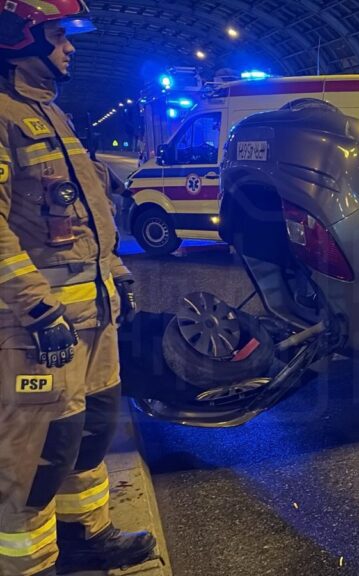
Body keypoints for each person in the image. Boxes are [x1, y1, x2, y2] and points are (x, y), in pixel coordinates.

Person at [0, 2, 154, 575]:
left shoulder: (53, 116)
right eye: (59, 36)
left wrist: (117, 276)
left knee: (89, 434)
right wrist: (38, 309)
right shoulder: (3, 116)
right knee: (40, 450)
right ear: (20, 39)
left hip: (92, 316)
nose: (71, 47)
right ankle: (28, 564)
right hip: (36, 329)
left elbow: (87, 219)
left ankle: (87, 533)